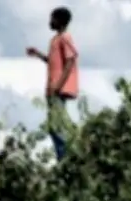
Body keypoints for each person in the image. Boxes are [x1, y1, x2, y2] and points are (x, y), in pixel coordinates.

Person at [25, 7, 79, 161]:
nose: (50, 22)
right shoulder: (55, 40)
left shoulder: (65, 38)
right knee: (53, 127)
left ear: (59, 21)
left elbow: (70, 61)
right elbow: (54, 62)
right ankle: (63, 157)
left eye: (52, 19)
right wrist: (38, 55)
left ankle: (66, 159)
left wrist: (59, 85)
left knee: (57, 126)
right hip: (52, 89)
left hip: (57, 89)